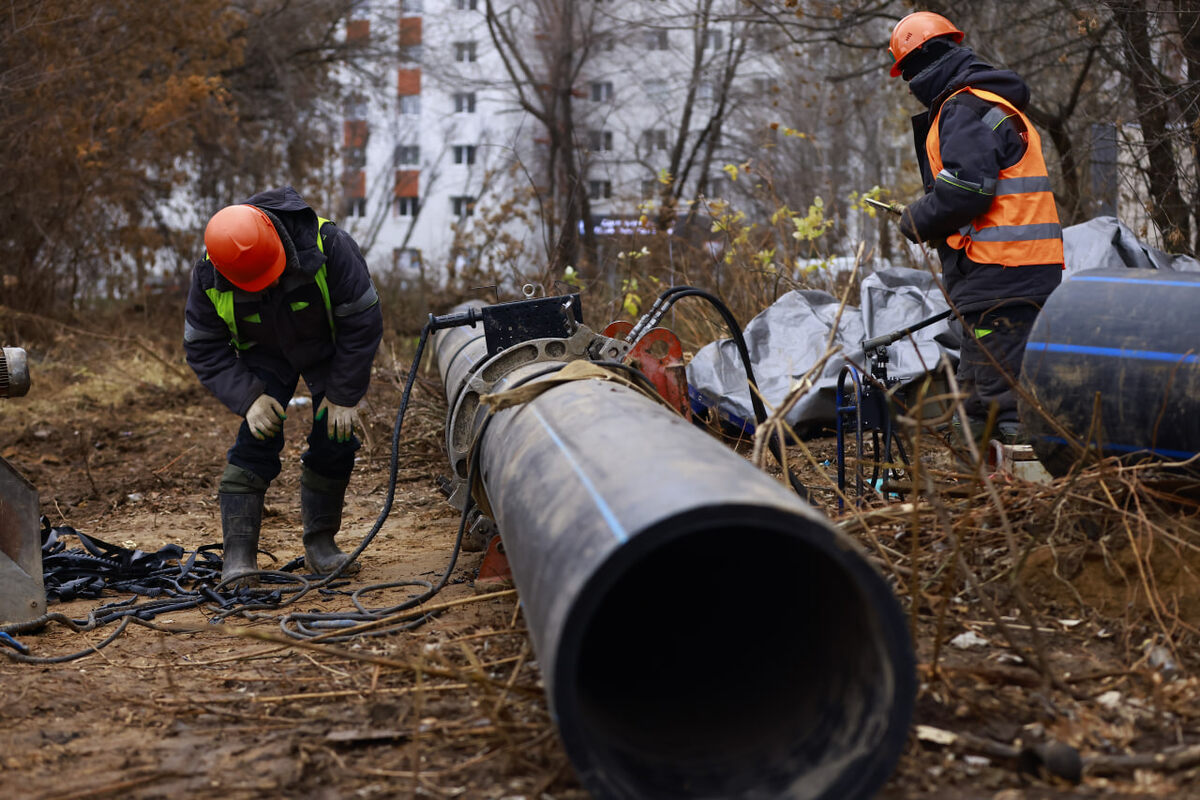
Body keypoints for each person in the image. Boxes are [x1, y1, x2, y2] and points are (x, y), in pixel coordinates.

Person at [184, 186, 383, 586]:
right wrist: (249, 397)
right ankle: (239, 558)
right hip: (263, 352)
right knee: (255, 438)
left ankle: (320, 545)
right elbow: (202, 346)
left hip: (327, 346)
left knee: (335, 434)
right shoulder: (211, 270)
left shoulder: (329, 243)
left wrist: (344, 395)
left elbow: (362, 322)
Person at [888, 11, 1063, 443]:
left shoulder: (963, 107)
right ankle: (981, 493)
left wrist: (917, 219)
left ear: (917, 67)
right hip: (1017, 274)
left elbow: (967, 189)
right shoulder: (989, 102)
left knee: (1004, 404)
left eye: (907, 73)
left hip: (998, 276)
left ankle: (1023, 500)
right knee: (972, 399)